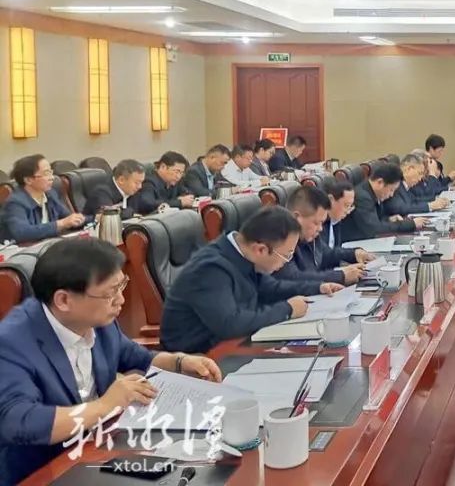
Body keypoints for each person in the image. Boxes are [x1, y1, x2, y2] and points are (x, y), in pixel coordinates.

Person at [0, 239, 221, 485]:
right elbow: (18, 421)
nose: (121, 300)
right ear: (63, 300)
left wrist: (180, 361)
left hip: (96, 451)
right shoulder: (11, 341)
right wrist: (105, 405)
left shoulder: (96, 319)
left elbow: (134, 356)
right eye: (110, 293)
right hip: (42, 472)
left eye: (121, 286)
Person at [160, 206, 343, 353]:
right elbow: (229, 324)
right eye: (286, 255)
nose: (286, 262)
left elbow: (272, 288)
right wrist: (287, 309)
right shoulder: (211, 269)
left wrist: (318, 287)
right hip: (198, 357)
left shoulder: (242, 255)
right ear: (260, 249)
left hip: (235, 342)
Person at [275, 186, 365, 285]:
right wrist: (340, 276)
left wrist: (354, 254)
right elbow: (293, 277)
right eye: (316, 223)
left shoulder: (310, 236)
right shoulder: (279, 241)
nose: (320, 228)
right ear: (296, 217)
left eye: (322, 223)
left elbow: (326, 253)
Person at [1, 154, 85, 243]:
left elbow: (69, 217)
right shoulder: (15, 203)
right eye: (46, 174)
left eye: (51, 172)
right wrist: (61, 224)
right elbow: (22, 233)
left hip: (49, 244)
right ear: (28, 180)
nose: (52, 178)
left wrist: (88, 218)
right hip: (22, 248)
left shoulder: (50, 194)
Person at [338, 162, 427, 241]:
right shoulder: (363, 197)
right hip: (354, 244)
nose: (391, 195)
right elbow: (374, 229)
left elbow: (374, 220)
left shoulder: (371, 192)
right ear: (380, 182)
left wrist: (388, 219)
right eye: (391, 190)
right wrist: (410, 224)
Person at [322, 181, 376, 265]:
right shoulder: (317, 225)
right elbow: (324, 254)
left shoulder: (336, 220)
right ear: (331, 200)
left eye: (351, 206)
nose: (348, 211)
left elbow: (335, 252)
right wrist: (353, 254)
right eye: (346, 205)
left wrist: (356, 254)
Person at [385, 153, 450, 216]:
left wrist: (435, 201)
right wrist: (430, 206)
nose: (420, 179)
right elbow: (401, 208)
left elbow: (415, 200)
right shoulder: (395, 182)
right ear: (409, 169)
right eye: (419, 173)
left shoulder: (405, 185)